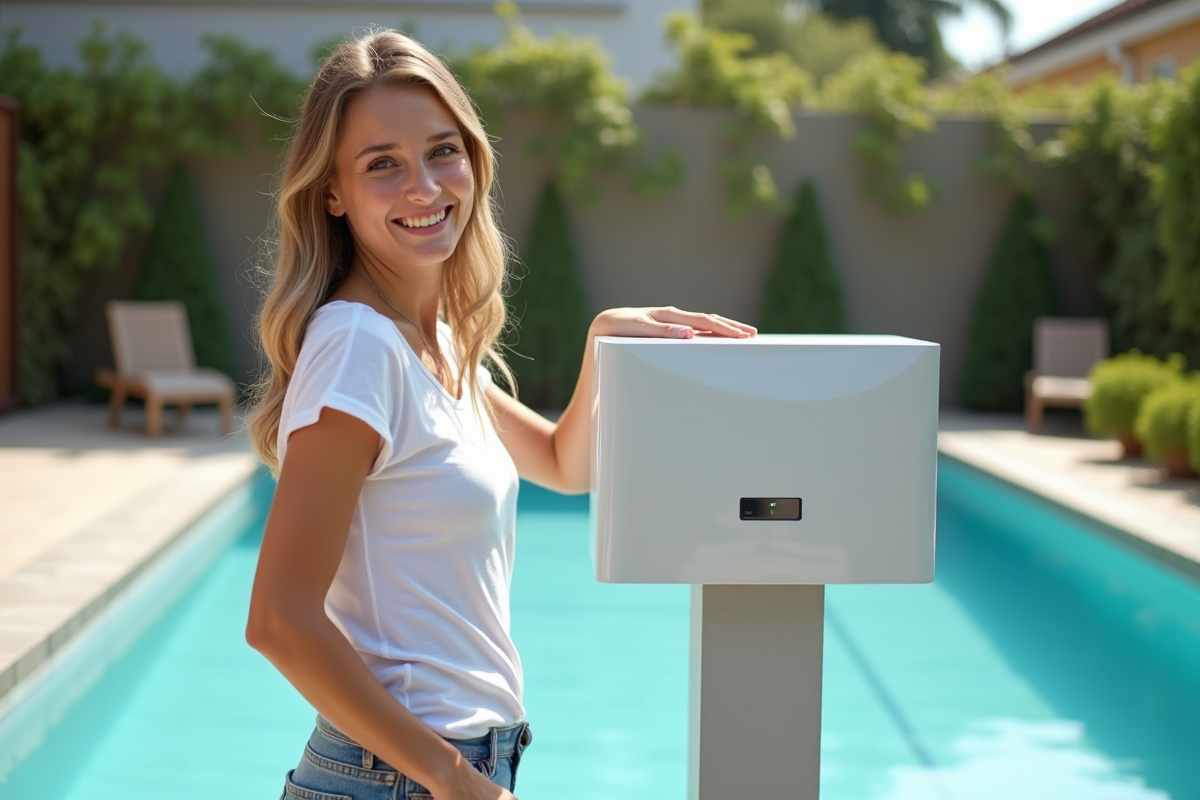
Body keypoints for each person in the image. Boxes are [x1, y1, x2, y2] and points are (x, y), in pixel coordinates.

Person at [244, 29, 756, 800]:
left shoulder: (436, 345)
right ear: (332, 193)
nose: (424, 187)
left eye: (441, 151)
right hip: (403, 777)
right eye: (382, 164)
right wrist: (452, 778)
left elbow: (563, 466)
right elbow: (278, 619)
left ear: (473, 160)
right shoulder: (358, 348)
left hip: (444, 767)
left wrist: (601, 341)